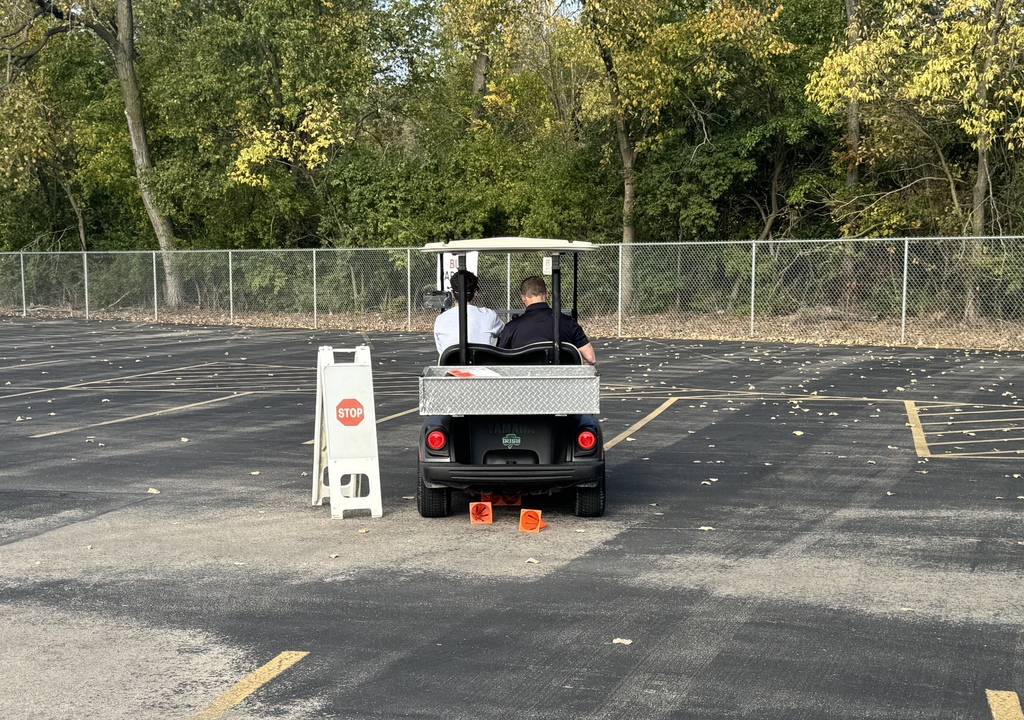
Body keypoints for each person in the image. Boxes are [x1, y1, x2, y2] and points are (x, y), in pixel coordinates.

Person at [497, 275, 597, 366]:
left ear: (523, 298)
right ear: (547, 295)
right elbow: (591, 358)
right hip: (561, 383)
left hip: (524, 384)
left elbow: (500, 361)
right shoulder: (568, 323)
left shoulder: (511, 328)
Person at [433, 269, 505, 355]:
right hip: (482, 367)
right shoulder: (490, 316)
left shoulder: (440, 320)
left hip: (453, 368)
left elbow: (442, 352)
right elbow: (504, 333)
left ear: (452, 293)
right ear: (475, 293)